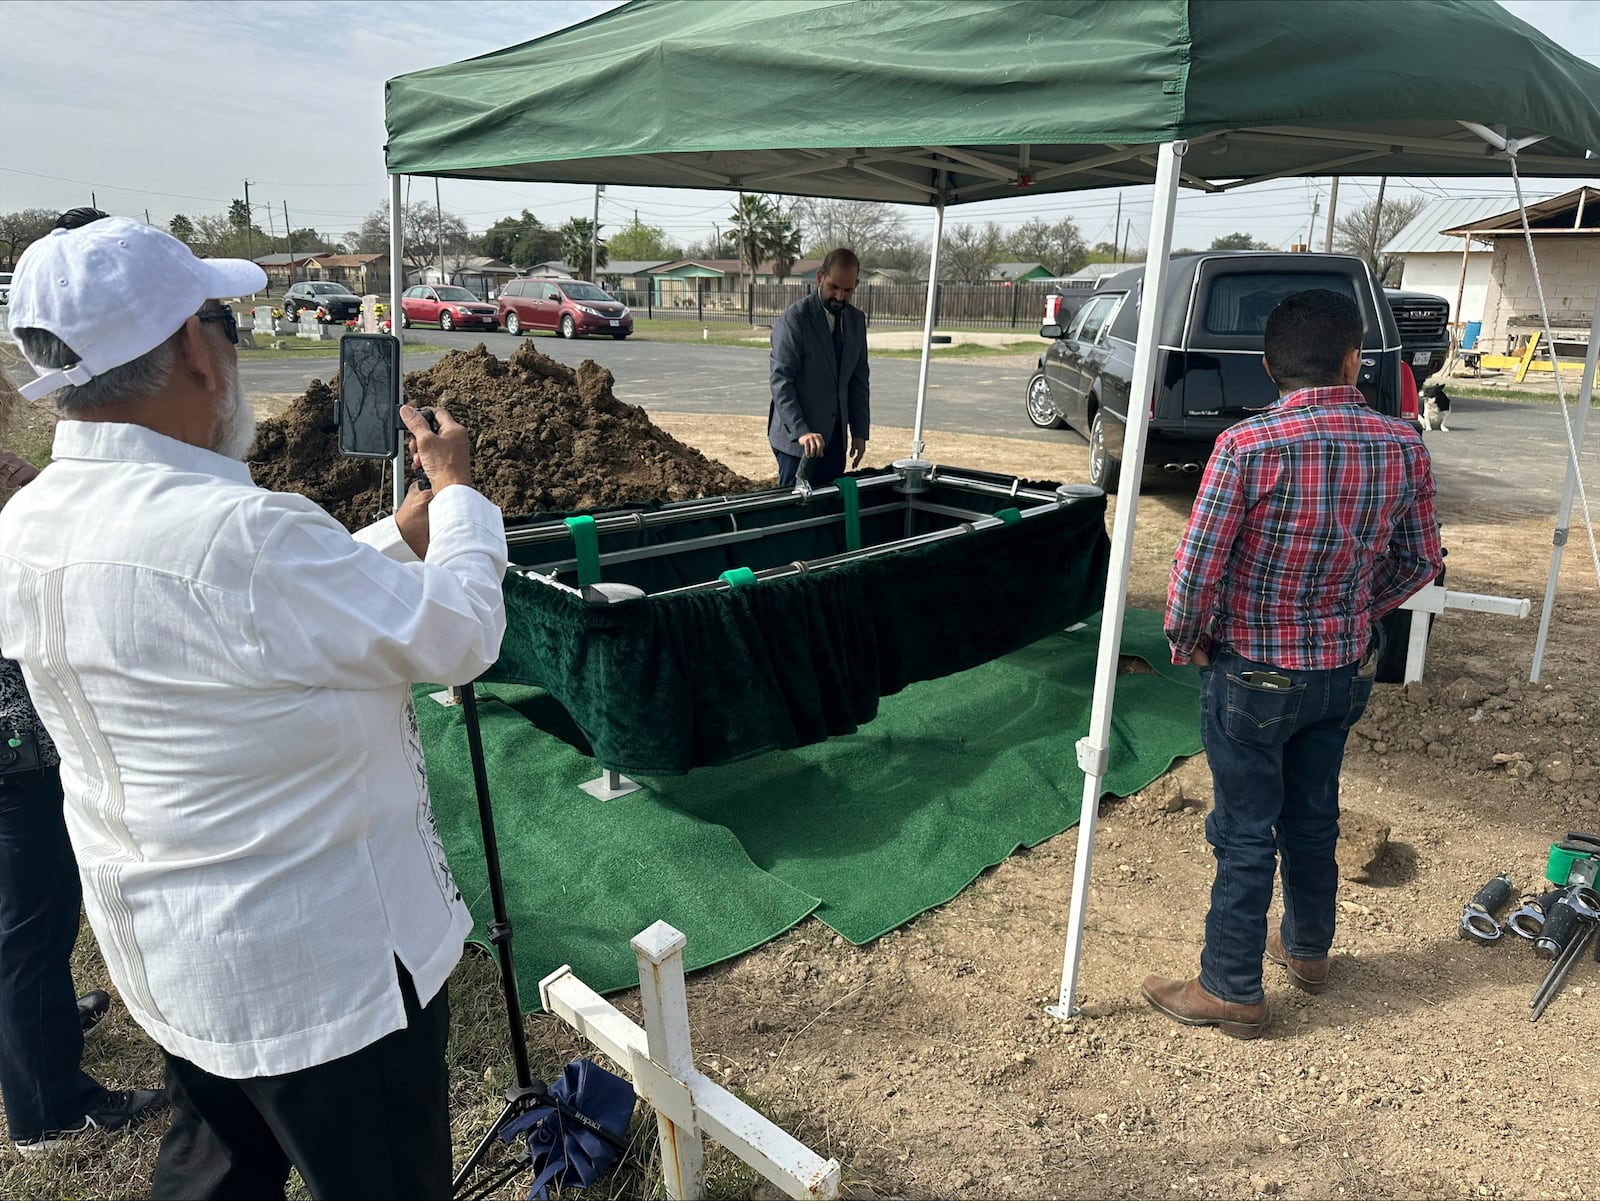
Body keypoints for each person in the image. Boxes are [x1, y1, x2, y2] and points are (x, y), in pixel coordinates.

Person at [0, 216, 508, 1197]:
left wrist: (396, 537)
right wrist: (456, 498)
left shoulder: (31, 524)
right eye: (220, 321)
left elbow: (227, 615)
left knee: (214, 1173)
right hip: (334, 985)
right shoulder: (243, 535)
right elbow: (459, 635)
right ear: (194, 344)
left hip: (184, 971)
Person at [1144, 289, 1443, 1039]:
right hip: (1340, 670)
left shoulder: (1247, 446)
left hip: (1253, 669)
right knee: (1313, 812)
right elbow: (1421, 558)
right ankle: (1307, 949)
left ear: (1268, 367)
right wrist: (1357, 609)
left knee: (1246, 827)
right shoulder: (1403, 442)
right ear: (1352, 362)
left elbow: (1194, 572)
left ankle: (1232, 986)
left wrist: (1190, 640)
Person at [1, 205, 168, 1158]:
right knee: (29, 913)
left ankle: (49, 1019)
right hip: (11, 727)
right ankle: (49, 1107)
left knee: (35, 905)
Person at [768, 247, 870, 488]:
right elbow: (781, 383)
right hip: (797, 442)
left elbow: (858, 380)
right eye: (833, 287)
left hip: (835, 441)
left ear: (856, 284)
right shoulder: (795, 320)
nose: (840, 296)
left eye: (848, 290)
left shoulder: (856, 321)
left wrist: (859, 431)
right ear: (820, 277)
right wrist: (802, 431)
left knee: (829, 512)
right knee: (796, 514)